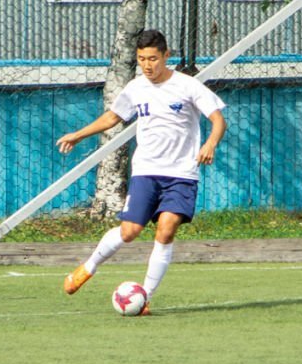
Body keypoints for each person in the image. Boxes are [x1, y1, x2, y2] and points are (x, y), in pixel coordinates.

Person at [56, 29, 226, 313]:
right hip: (146, 171)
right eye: (142, 59)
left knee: (166, 230)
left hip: (181, 174)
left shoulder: (188, 86)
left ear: (166, 56)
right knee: (130, 231)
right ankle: (89, 267)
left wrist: (210, 143)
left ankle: (144, 297)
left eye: (153, 59)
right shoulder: (136, 88)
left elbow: (218, 120)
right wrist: (78, 135)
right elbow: (112, 117)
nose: (147, 65)